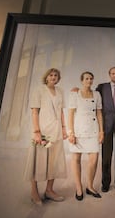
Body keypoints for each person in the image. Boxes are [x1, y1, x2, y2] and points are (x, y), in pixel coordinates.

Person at [24, 68, 67, 205]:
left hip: (57, 131)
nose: (53, 77)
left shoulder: (60, 91)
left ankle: (49, 190)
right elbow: (35, 112)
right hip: (42, 131)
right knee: (38, 160)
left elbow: (61, 112)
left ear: (58, 78)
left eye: (56, 75)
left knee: (54, 162)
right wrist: (36, 131)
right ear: (46, 77)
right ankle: (34, 191)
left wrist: (64, 128)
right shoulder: (39, 90)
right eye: (51, 75)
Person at [68, 71, 104, 200]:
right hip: (78, 131)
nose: (89, 81)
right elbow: (70, 114)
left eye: (91, 79)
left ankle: (89, 186)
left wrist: (101, 131)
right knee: (76, 159)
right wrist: (70, 133)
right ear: (82, 80)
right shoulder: (75, 94)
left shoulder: (97, 94)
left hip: (93, 131)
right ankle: (79, 188)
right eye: (87, 78)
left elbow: (99, 114)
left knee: (93, 160)